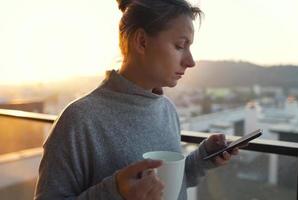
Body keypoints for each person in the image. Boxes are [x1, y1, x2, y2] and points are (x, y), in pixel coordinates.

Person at [34, 0, 241, 199]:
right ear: (141, 42)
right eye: (180, 46)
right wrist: (116, 193)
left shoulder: (167, 109)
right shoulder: (78, 120)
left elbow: (165, 187)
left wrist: (203, 157)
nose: (191, 61)